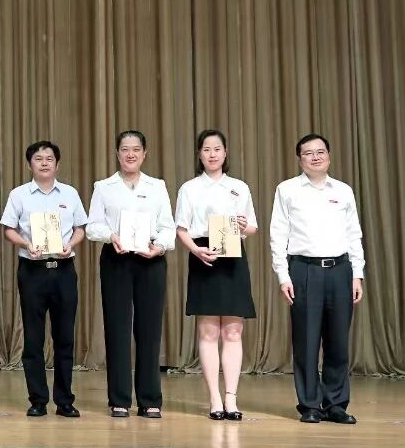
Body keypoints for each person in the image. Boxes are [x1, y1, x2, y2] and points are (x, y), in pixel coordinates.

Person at [270, 133, 365, 425]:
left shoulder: (344, 191)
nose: (315, 157)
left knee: (338, 341)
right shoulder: (287, 190)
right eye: (308, 153)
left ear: (329, 155)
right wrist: (283, 275)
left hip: (340, 269)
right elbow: (278, 234)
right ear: (300, 159)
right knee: (306, 341)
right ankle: (310, 404)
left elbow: (354, 234)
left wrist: (357, 274)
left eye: (320, 151)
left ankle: (336, 404)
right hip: (304, 270)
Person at [85, 130, 176, 418]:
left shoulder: (157, 186)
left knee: (150, 330)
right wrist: (111, 235)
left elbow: (168, 227)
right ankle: (120, 399)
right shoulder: (104, 187)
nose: (130, 154)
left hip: (151, 260)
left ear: (144, 153)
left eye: (136, 149)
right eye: (125, 149)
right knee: (117, 329)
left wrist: (159, 246)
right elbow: (92, 226)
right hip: (117, 260)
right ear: (117, 153)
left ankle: (150, 399)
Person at [174, 129, 257, 420]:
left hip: (233, 257)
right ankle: (214, 398)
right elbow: (181, 229)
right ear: (199, 154)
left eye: (217, 149)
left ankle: (232, 398)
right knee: (208, 331)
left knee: (233, 331)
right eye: (207, 149)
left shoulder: (239, 187)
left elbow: (252, 227)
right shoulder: (189, 188)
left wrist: (244, 226)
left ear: (225, 153)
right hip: (203, 255)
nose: (212, 154)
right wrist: (196, 251)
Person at [1, 140, 87, 418]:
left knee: (65, 337)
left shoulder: (70, 193)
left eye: (49, 158)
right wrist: (26, 244)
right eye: (38, 158)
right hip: (32, 270)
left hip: (63, 269)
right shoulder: (19, 195)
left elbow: (81, 228)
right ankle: (37, 399)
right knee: (33, 337)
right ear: (30, 164)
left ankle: (64, 400)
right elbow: (8, 229)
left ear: (57, 164)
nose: (44, 163)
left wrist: (70, 244)